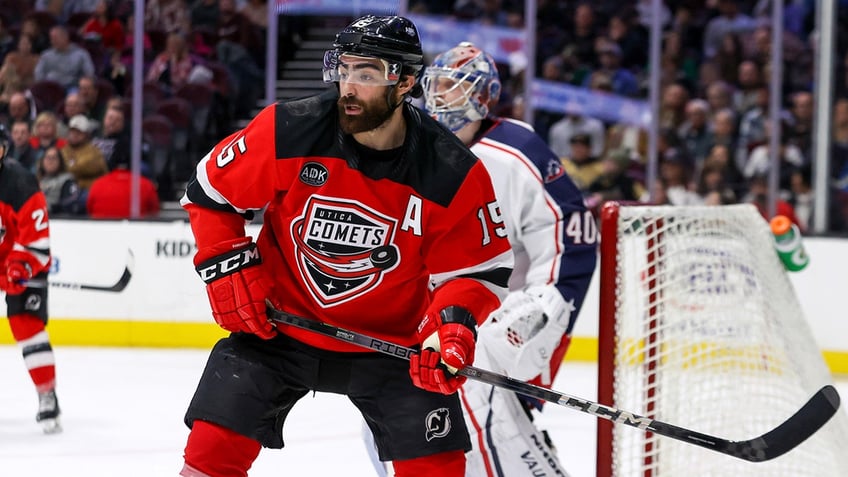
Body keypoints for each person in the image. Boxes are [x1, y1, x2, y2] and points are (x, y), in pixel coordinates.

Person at [178, 15, 513, 477]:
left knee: (439, 468)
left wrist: (451, 327)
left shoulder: (451, 171)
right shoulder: (288, 129)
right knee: (209, 452)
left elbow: (479, 270)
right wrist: (226, 266)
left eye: (367, 73)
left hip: (394, 347)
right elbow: (209, 194)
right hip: (278, 332)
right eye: (345, 69)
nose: (348, 87)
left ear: (406, 82)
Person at [364, 41, 599, 477]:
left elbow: (572, 233)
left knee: (479, 416)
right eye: (438, 86)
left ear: (483, 97)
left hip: (495, 317)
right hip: (422, 317)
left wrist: (547, 304)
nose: (441, 96)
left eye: (455, 86)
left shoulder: (516, 148)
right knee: (385, 427)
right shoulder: (412, 145)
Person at [0, 126, 62, 434]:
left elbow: (36, 236)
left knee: (26, 325)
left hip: (17, 263)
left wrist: (20, 265)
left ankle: (47, 394)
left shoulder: (20, 182)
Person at [86, 151, 160, 218]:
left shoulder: (98, 184)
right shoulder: (146, 184)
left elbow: (90, 210)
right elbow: (154, 213)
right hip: (135, 230)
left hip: (101, 230)